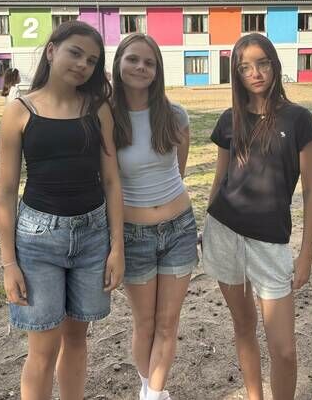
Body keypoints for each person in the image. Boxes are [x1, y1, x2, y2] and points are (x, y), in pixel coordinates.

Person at [0, 20, 124, 400]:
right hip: (37, 242)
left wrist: (117, 247)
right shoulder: (19, 112)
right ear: (51, 51)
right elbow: (5, 192)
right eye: (75, 53)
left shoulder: (98, 109)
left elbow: (111, 181)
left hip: (92, 238)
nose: (83, 64)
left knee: (77, 341)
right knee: (43, 349)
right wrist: (8, 263)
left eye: (92, 60)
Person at [202, 33, 312, 400]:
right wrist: (206, 228)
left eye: (262, 63)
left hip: (270, 243)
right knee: (244, 325)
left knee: (283, 349)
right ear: (236, 74)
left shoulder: (298, 118)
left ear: (275, 65)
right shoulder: (230, 119)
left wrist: (306, 255)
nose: (255, 73)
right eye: (244, 67)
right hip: (224, 232)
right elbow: (220, 179)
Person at [111, 33, 196, 400]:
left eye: (149, 62)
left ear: (158, 70)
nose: (141, 67)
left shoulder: (175, 115)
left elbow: (179, 168)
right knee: (144, 324)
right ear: (118, 62)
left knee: (167, 323)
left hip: (179, 229)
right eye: (133, 59)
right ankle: (150, 390)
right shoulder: (106, 118)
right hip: (134, 235)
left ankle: (153, 393)